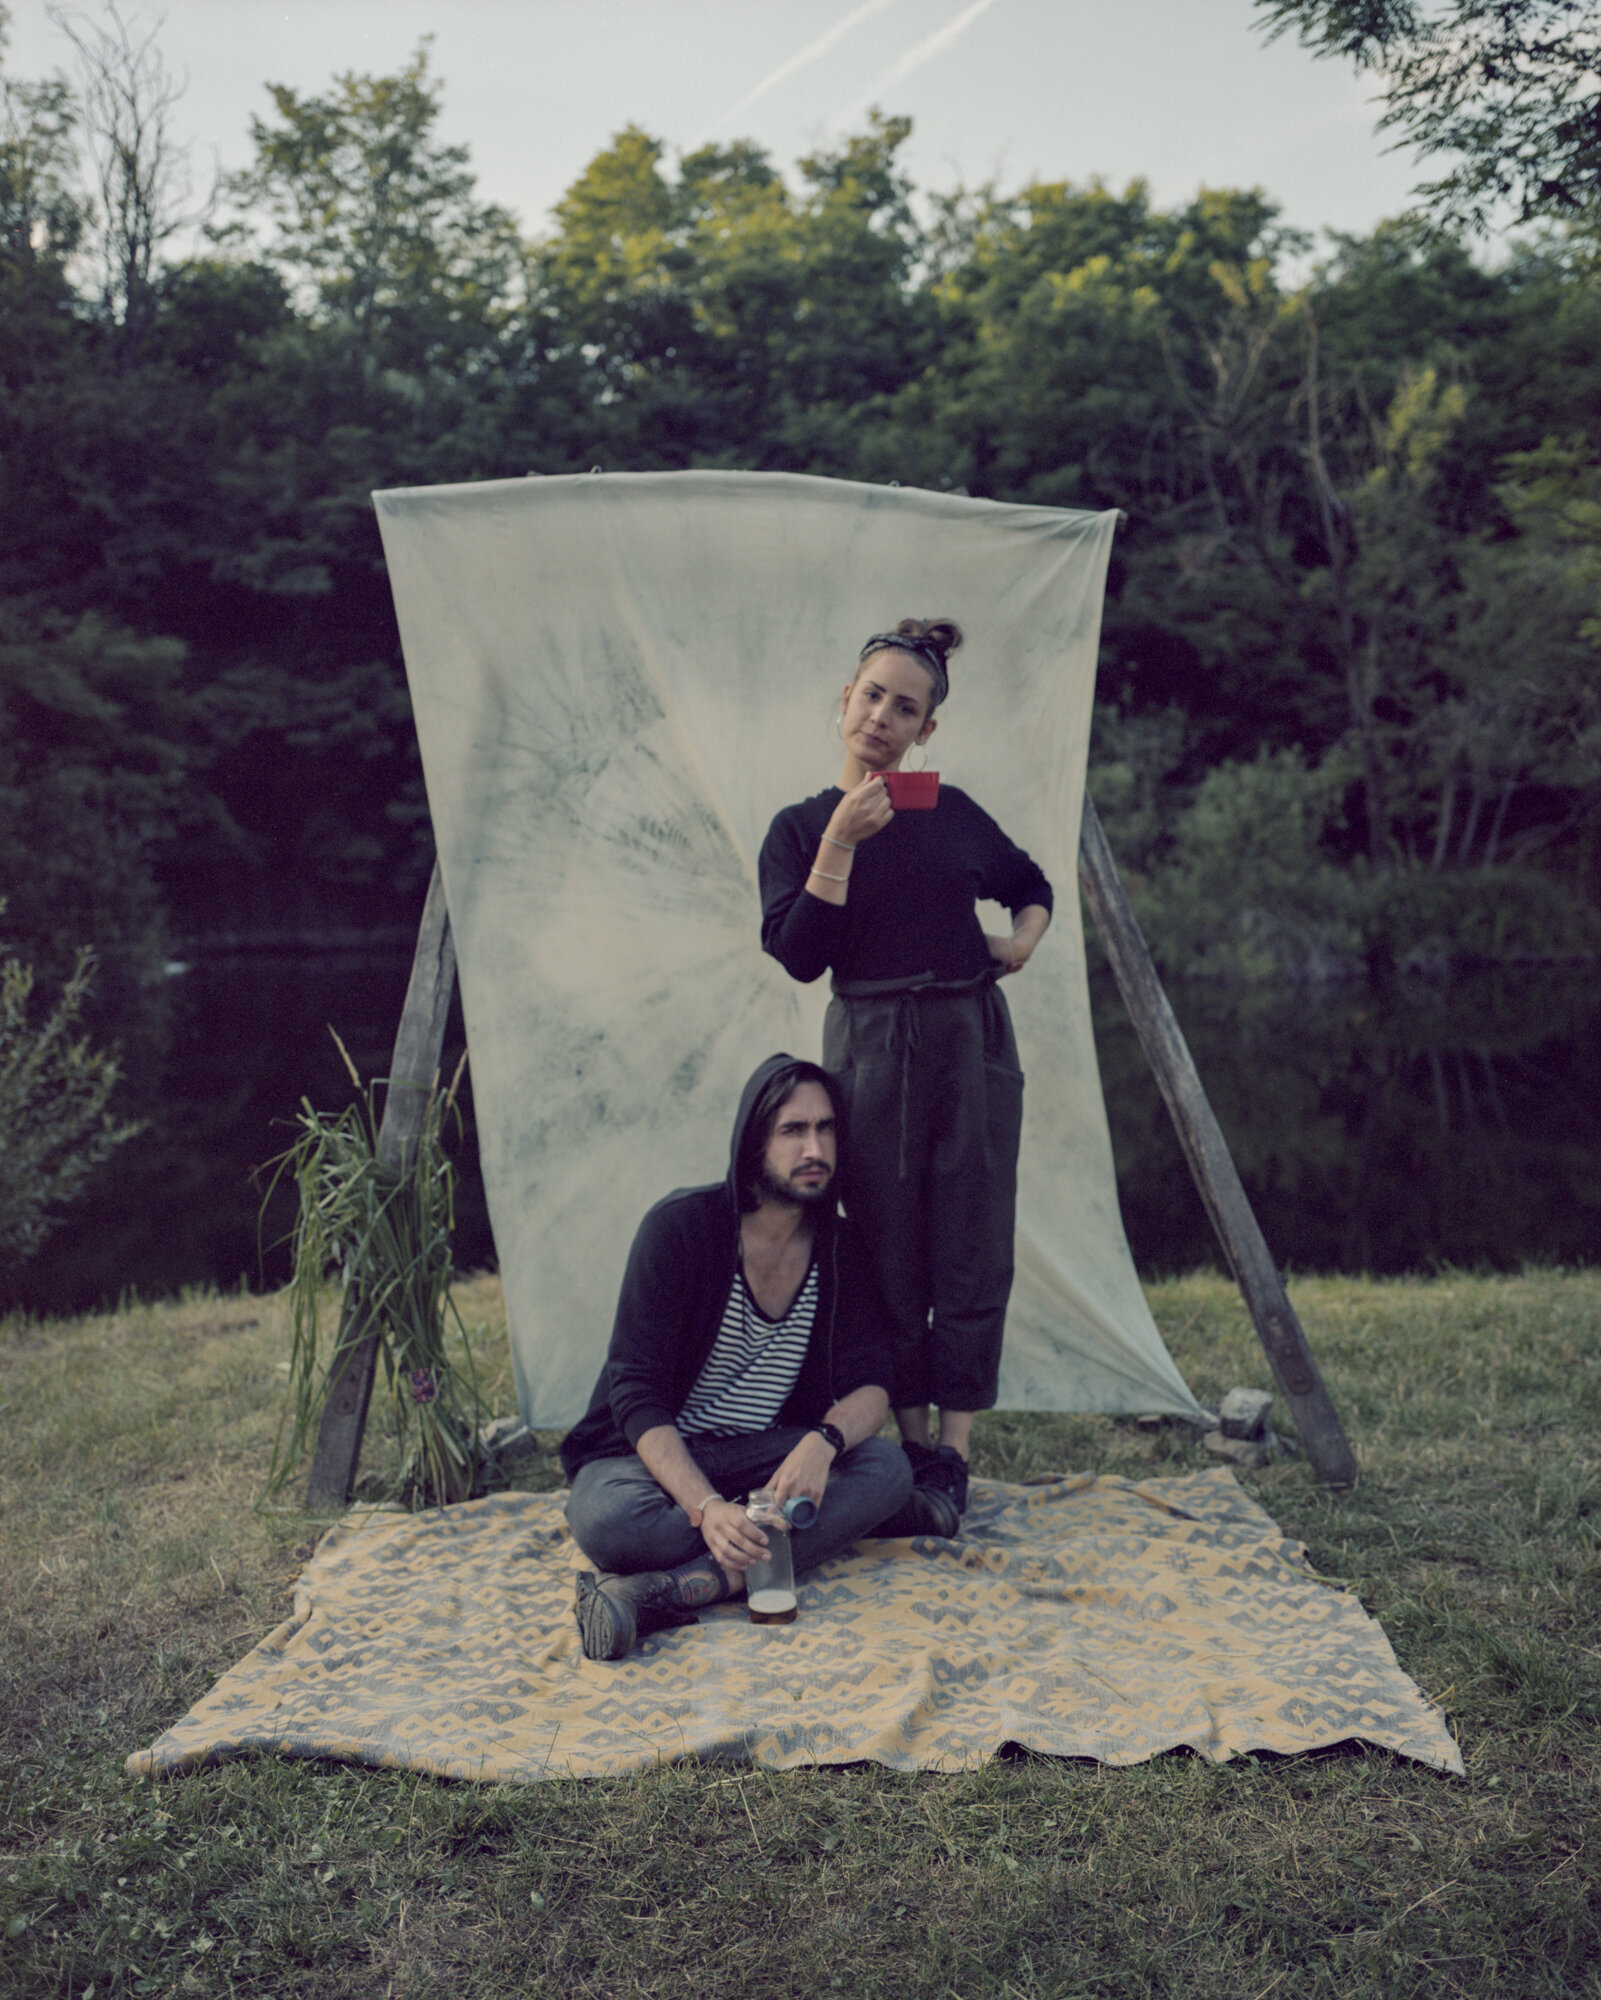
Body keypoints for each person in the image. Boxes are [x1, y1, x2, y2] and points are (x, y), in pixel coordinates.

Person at [757, 618, 1052, 1525]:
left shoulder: (947, 810)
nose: (882, 716)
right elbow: (800, 955)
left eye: (906, 708)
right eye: (872, 695)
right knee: (886, 1242)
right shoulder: (802, 826)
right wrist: (839, 844)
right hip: (871, 1043)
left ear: (925, 730)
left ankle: (954, 1454)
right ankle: (912, 1439)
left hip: (969, 1035)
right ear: (844, 701)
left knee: (971, 1232)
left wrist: (1018, 943)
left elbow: (1028, 880)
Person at [560, 1054, 914, 1661]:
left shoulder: (840, 1247)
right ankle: (755, 1546)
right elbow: (636, 1393)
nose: (815, 1147)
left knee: (886, 1469)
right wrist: (704, 1508)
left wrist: (824, 1441)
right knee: (607, 1519)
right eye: (793, 1130)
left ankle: (674, 1589)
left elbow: (873, 1385)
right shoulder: (680, 1230)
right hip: (652, 1464)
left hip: (765, 1456)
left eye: (826, 1129)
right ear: (754, 1141)